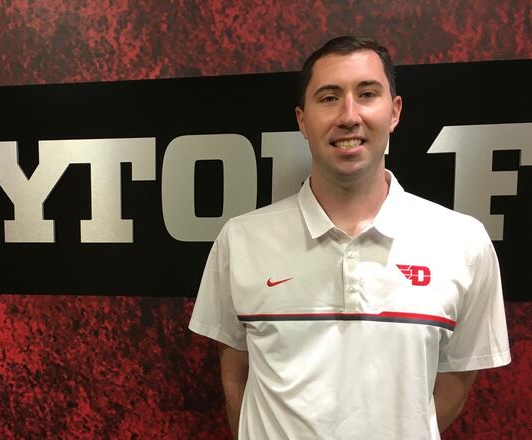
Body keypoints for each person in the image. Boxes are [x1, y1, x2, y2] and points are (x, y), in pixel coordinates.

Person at [188, 36, 511, 439]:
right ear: (302, 120)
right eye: (328, 97)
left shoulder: (464, 242)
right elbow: (235, 371)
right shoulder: (240, 239)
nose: (349, 115)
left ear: (394, 112)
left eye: (367, 93)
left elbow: (455, 384)